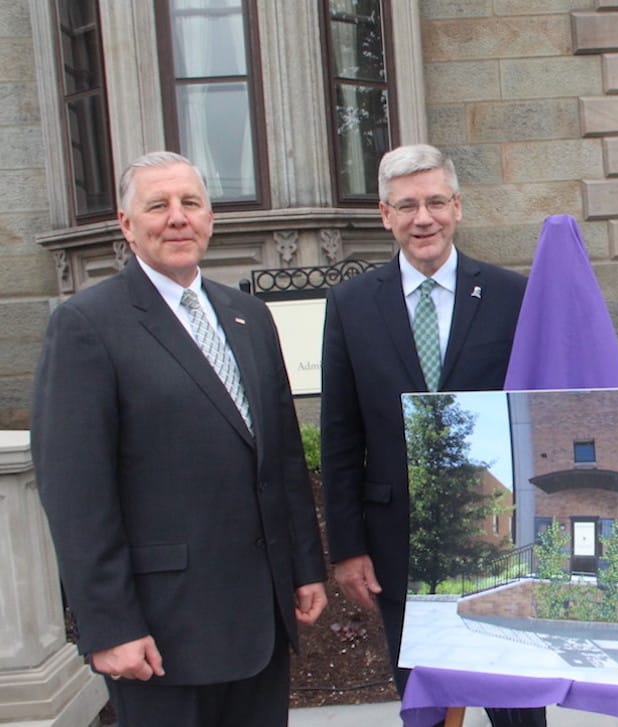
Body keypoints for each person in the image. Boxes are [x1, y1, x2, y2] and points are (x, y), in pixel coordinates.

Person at [31, 151, 328, 726]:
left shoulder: (248, 315)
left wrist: (302, 567)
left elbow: (282, 457)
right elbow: (76, 495)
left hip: (257, 621)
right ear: (126, 224)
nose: (177, 218)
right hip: (162, 634)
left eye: (190, 203)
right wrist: (110, 625)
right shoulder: (87, 325)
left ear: (210, 217)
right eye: (158, 205)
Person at [320, 144, 544, 726]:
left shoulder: (511, 296)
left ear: (458, 207)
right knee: (427, 704)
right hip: (398, 541)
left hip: (501, 540)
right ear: (384, 214)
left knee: (516, 706)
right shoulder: (349, 306)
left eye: (436, 202)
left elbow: (538, 411)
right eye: (408, 206)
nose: (424, 219)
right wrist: (347, 548)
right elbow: (341, 433)